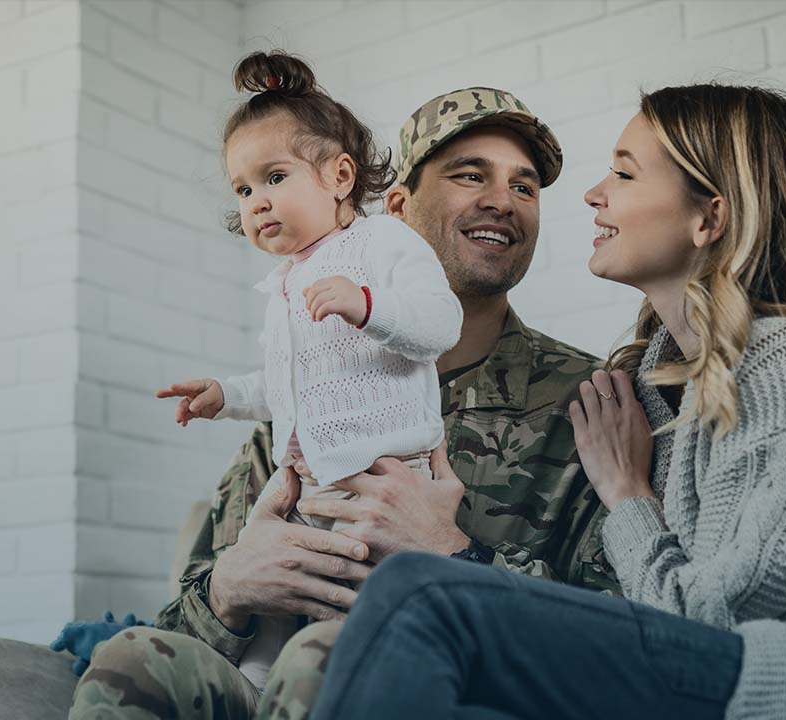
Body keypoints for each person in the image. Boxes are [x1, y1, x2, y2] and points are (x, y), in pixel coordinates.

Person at [311, 84, 786, 720]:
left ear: (709, 217)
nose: (590, 195)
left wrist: (628, 496)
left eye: (625, 173)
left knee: (421, 597)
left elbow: (715, 618)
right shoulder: (650, 387)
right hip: (736, 680)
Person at [67, 81, 617, 720]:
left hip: (439, 686)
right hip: (269, 679)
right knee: (131, 662)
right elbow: (187, 623)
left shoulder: (585, 403)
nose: (502, 202)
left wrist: (455, 556)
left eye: (524, 187)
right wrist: (230, 590)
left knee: (327, 664)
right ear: (400, 208)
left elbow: (624, 644)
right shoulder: (302, 397)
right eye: (471, 176)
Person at [152, 50, 463, 690]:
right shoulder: (288, 282)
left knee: (353, 601)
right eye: (242, 189)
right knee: (269, 587)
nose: (256, 202)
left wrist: (367, 305)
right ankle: (260, 685)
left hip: (381, 476)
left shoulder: (383, 244)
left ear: (339, 176)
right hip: (306, 476)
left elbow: (440, 326)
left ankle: (333, 678)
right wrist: (226, 395)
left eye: (274, 177)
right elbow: (286, 384)